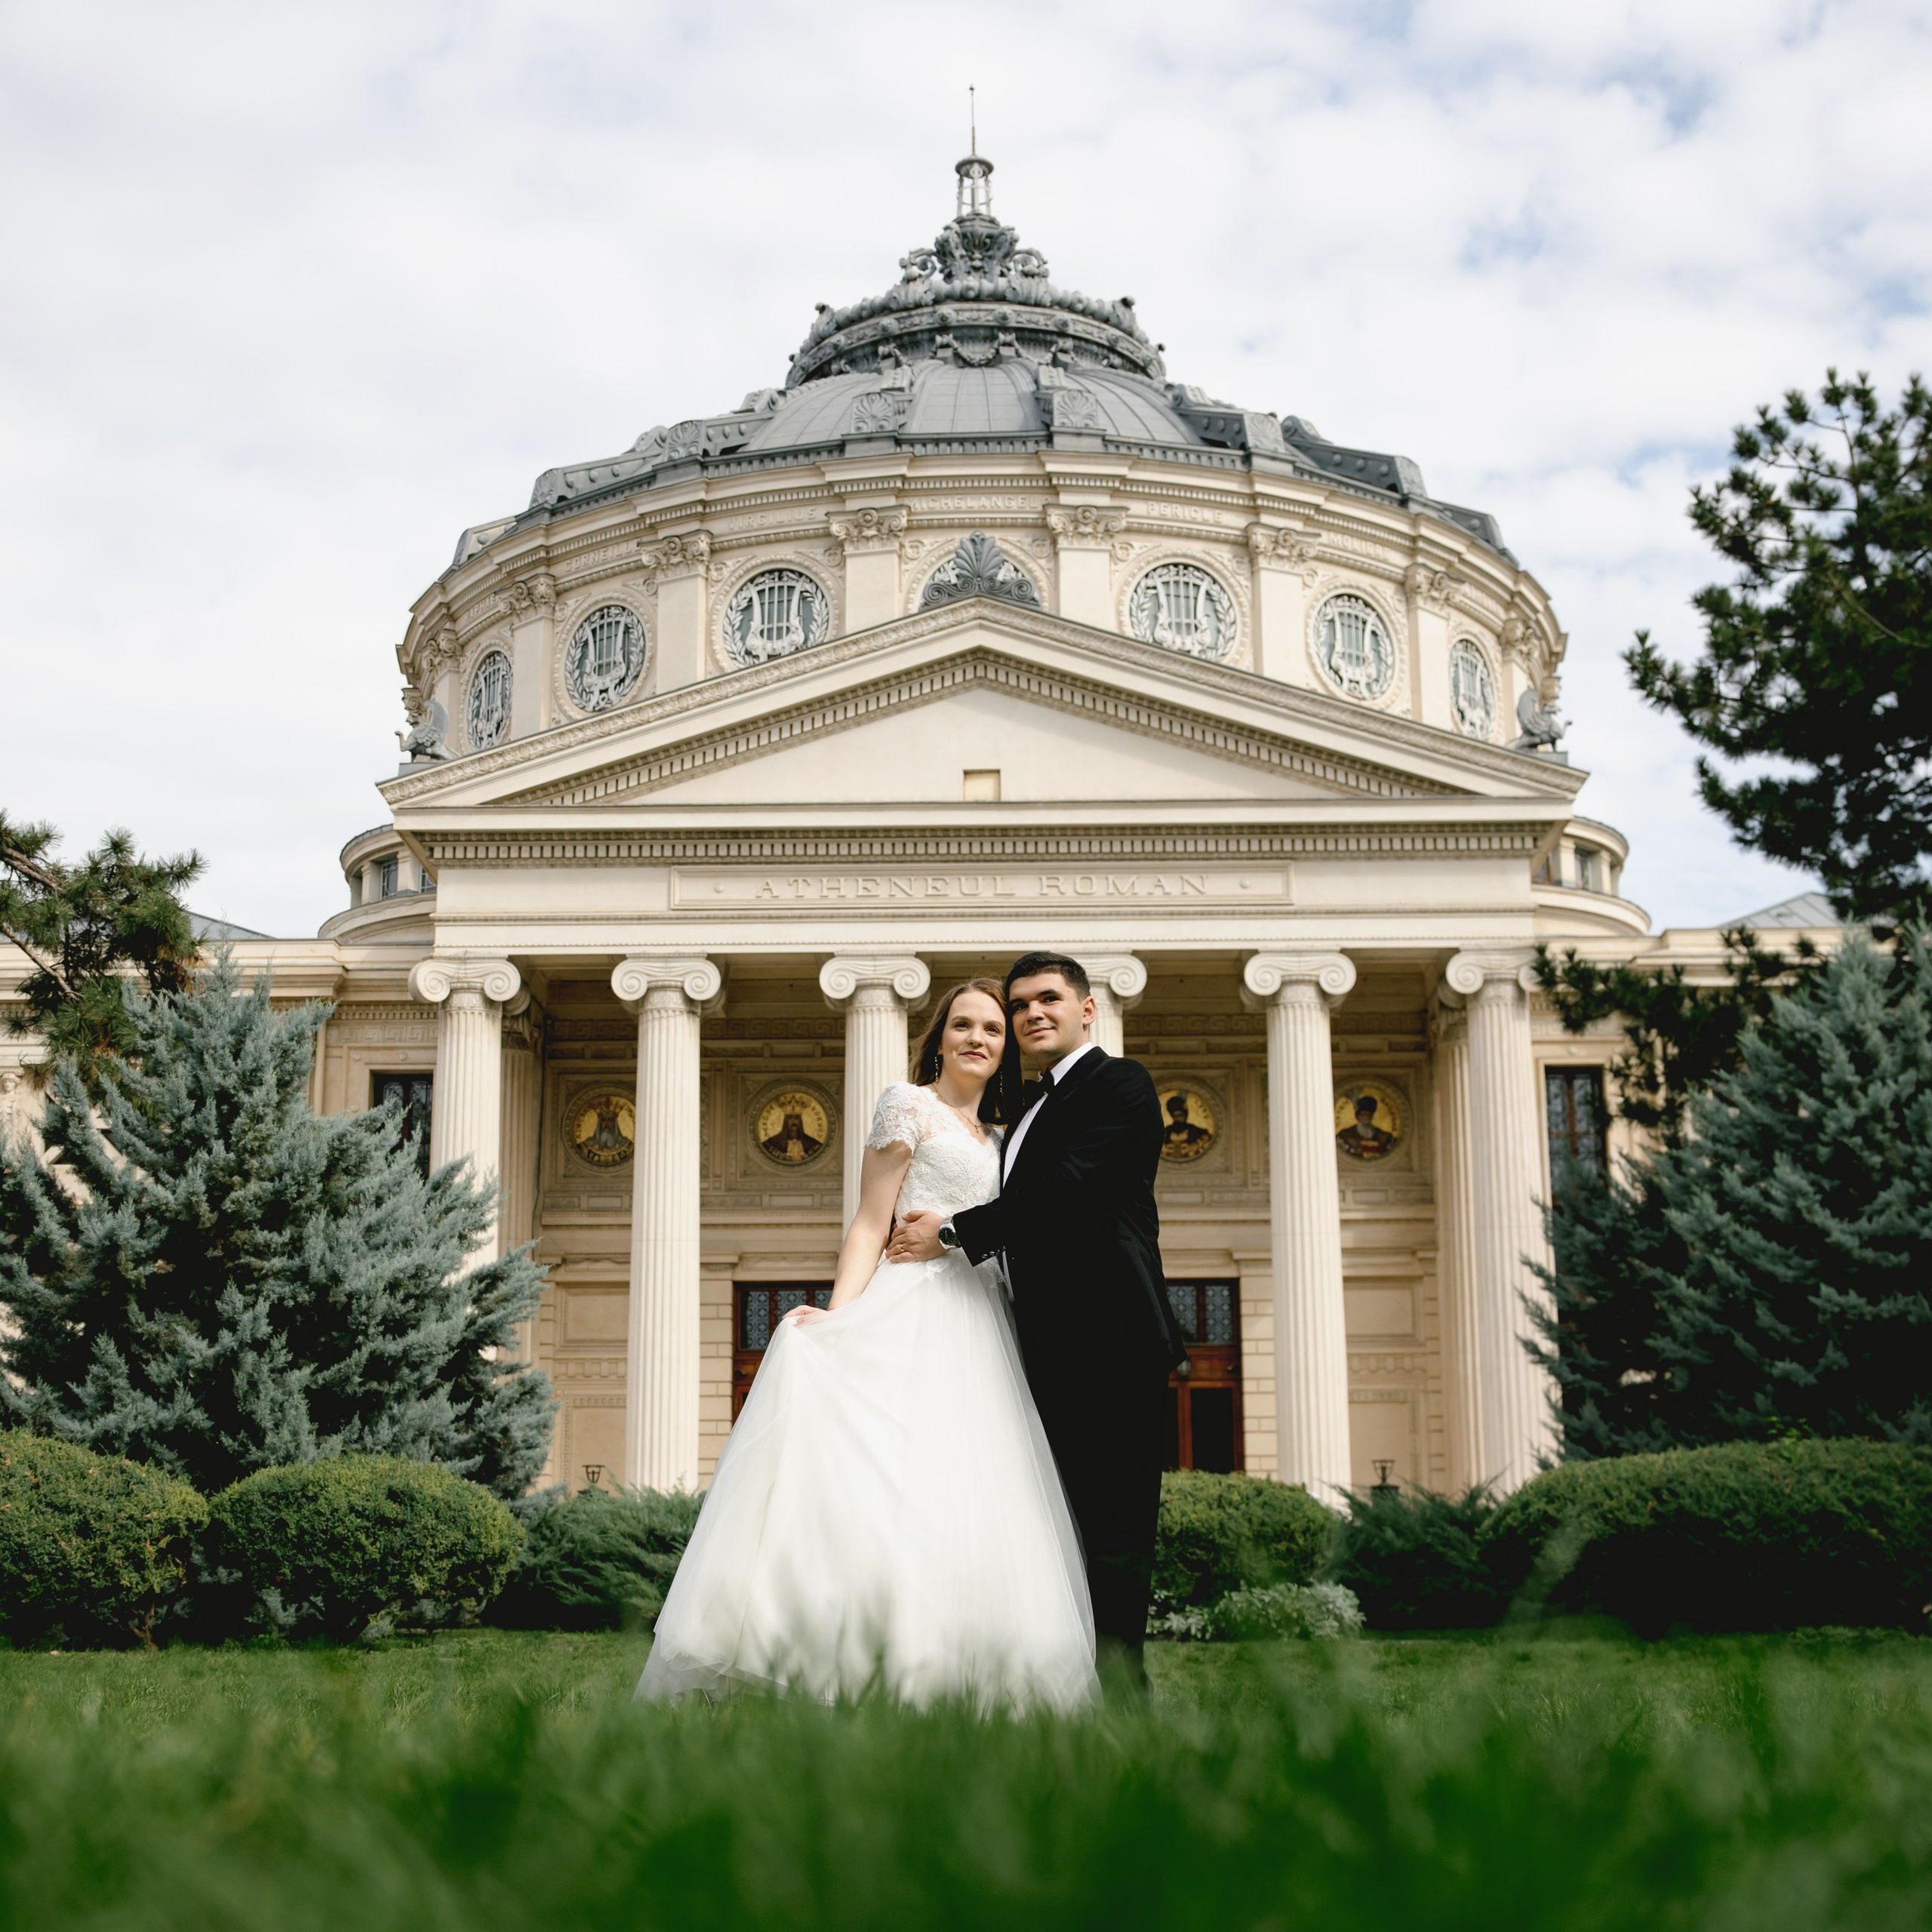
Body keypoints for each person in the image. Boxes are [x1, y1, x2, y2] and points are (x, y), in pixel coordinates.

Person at [638, 979, 1097, 1711]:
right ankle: (848, 1661)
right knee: (885, 1482)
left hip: (981, 1324)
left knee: (969, 1489)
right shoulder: (905, 1105)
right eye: (963, 1024)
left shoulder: (1006, 1141)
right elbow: (867, 1222)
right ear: (939, 1036)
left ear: (1006, 1048)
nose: (978, 1038)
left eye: (992, 1029)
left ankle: (960, 1672)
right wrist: (837, 1316)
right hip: (907, 1308)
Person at [889, 952, 1186, 1681]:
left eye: (1048, 999)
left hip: (1111, 1345)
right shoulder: (1020, 1109)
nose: (1031, 1015)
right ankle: (1061, 1697)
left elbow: (1069, 1187)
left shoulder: (1121, 1084)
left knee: (1114, 1539)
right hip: (1037, 1349)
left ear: (1088, 1009)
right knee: (1050, 1538)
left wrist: (953, 1231)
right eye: (1019, 1005)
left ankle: (1122, 1704)